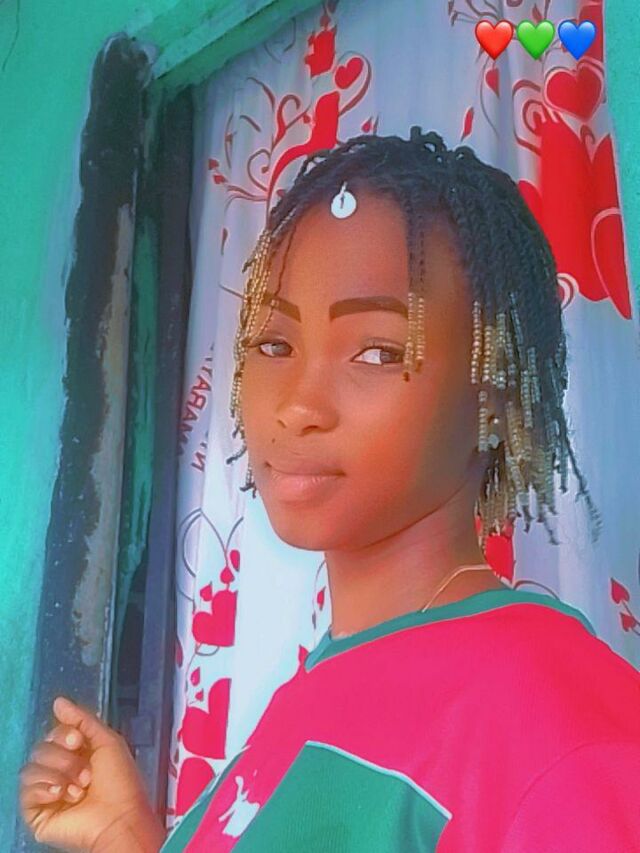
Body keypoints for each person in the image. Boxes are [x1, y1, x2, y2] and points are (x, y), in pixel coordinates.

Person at [19, 127, 640, 852]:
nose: (297, 405)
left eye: (375, 351)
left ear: (497, 397)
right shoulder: (316, 687)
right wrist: (127, 837)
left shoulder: (556, 724)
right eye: (274, 345)